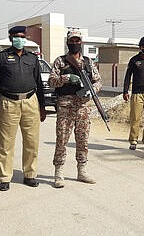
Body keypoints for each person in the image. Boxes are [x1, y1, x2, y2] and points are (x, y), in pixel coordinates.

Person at [0, 26, 46, 191]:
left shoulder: (32, 58)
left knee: (32, 141)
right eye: (16, 36)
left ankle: (30, 174)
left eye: (22, 36)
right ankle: (4, 177)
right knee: (6, 143)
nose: (19, 39)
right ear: (10, 38)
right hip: (9, 102)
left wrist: (42, 107)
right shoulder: (1, 57)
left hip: (30, 101)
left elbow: (39, 83)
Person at [49, 29, 102, 188]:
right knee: (62, 139)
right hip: (65, 106)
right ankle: (59, 172)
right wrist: (65, 78)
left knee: (82, 140)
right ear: (67, 42)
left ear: (81, 42)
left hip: (83, 107)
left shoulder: (88, 62)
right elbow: (52, 82)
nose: (74, 43)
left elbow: (98, 81)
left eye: (77, 41)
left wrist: (91, 90)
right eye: (72, 41)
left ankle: (82, 170)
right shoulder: (60, 61)